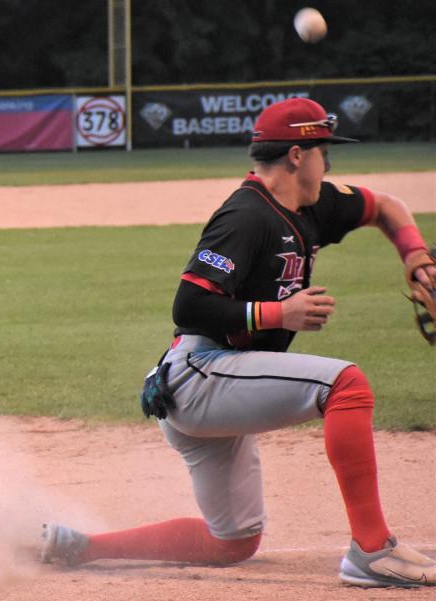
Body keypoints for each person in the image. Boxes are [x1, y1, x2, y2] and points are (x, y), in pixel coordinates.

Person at [39, 97, 436, 588]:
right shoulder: (246, 216)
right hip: (200, 372)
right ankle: (372, 552)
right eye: (322, 151)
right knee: (346, 386)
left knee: (232, 541)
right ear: (297, 155)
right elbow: (188, 306)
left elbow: (386, 207)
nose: (328, 162)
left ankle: (81, 546)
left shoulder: (315, 205)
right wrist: (280, 313)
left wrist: (416, 256)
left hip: (223, 378)